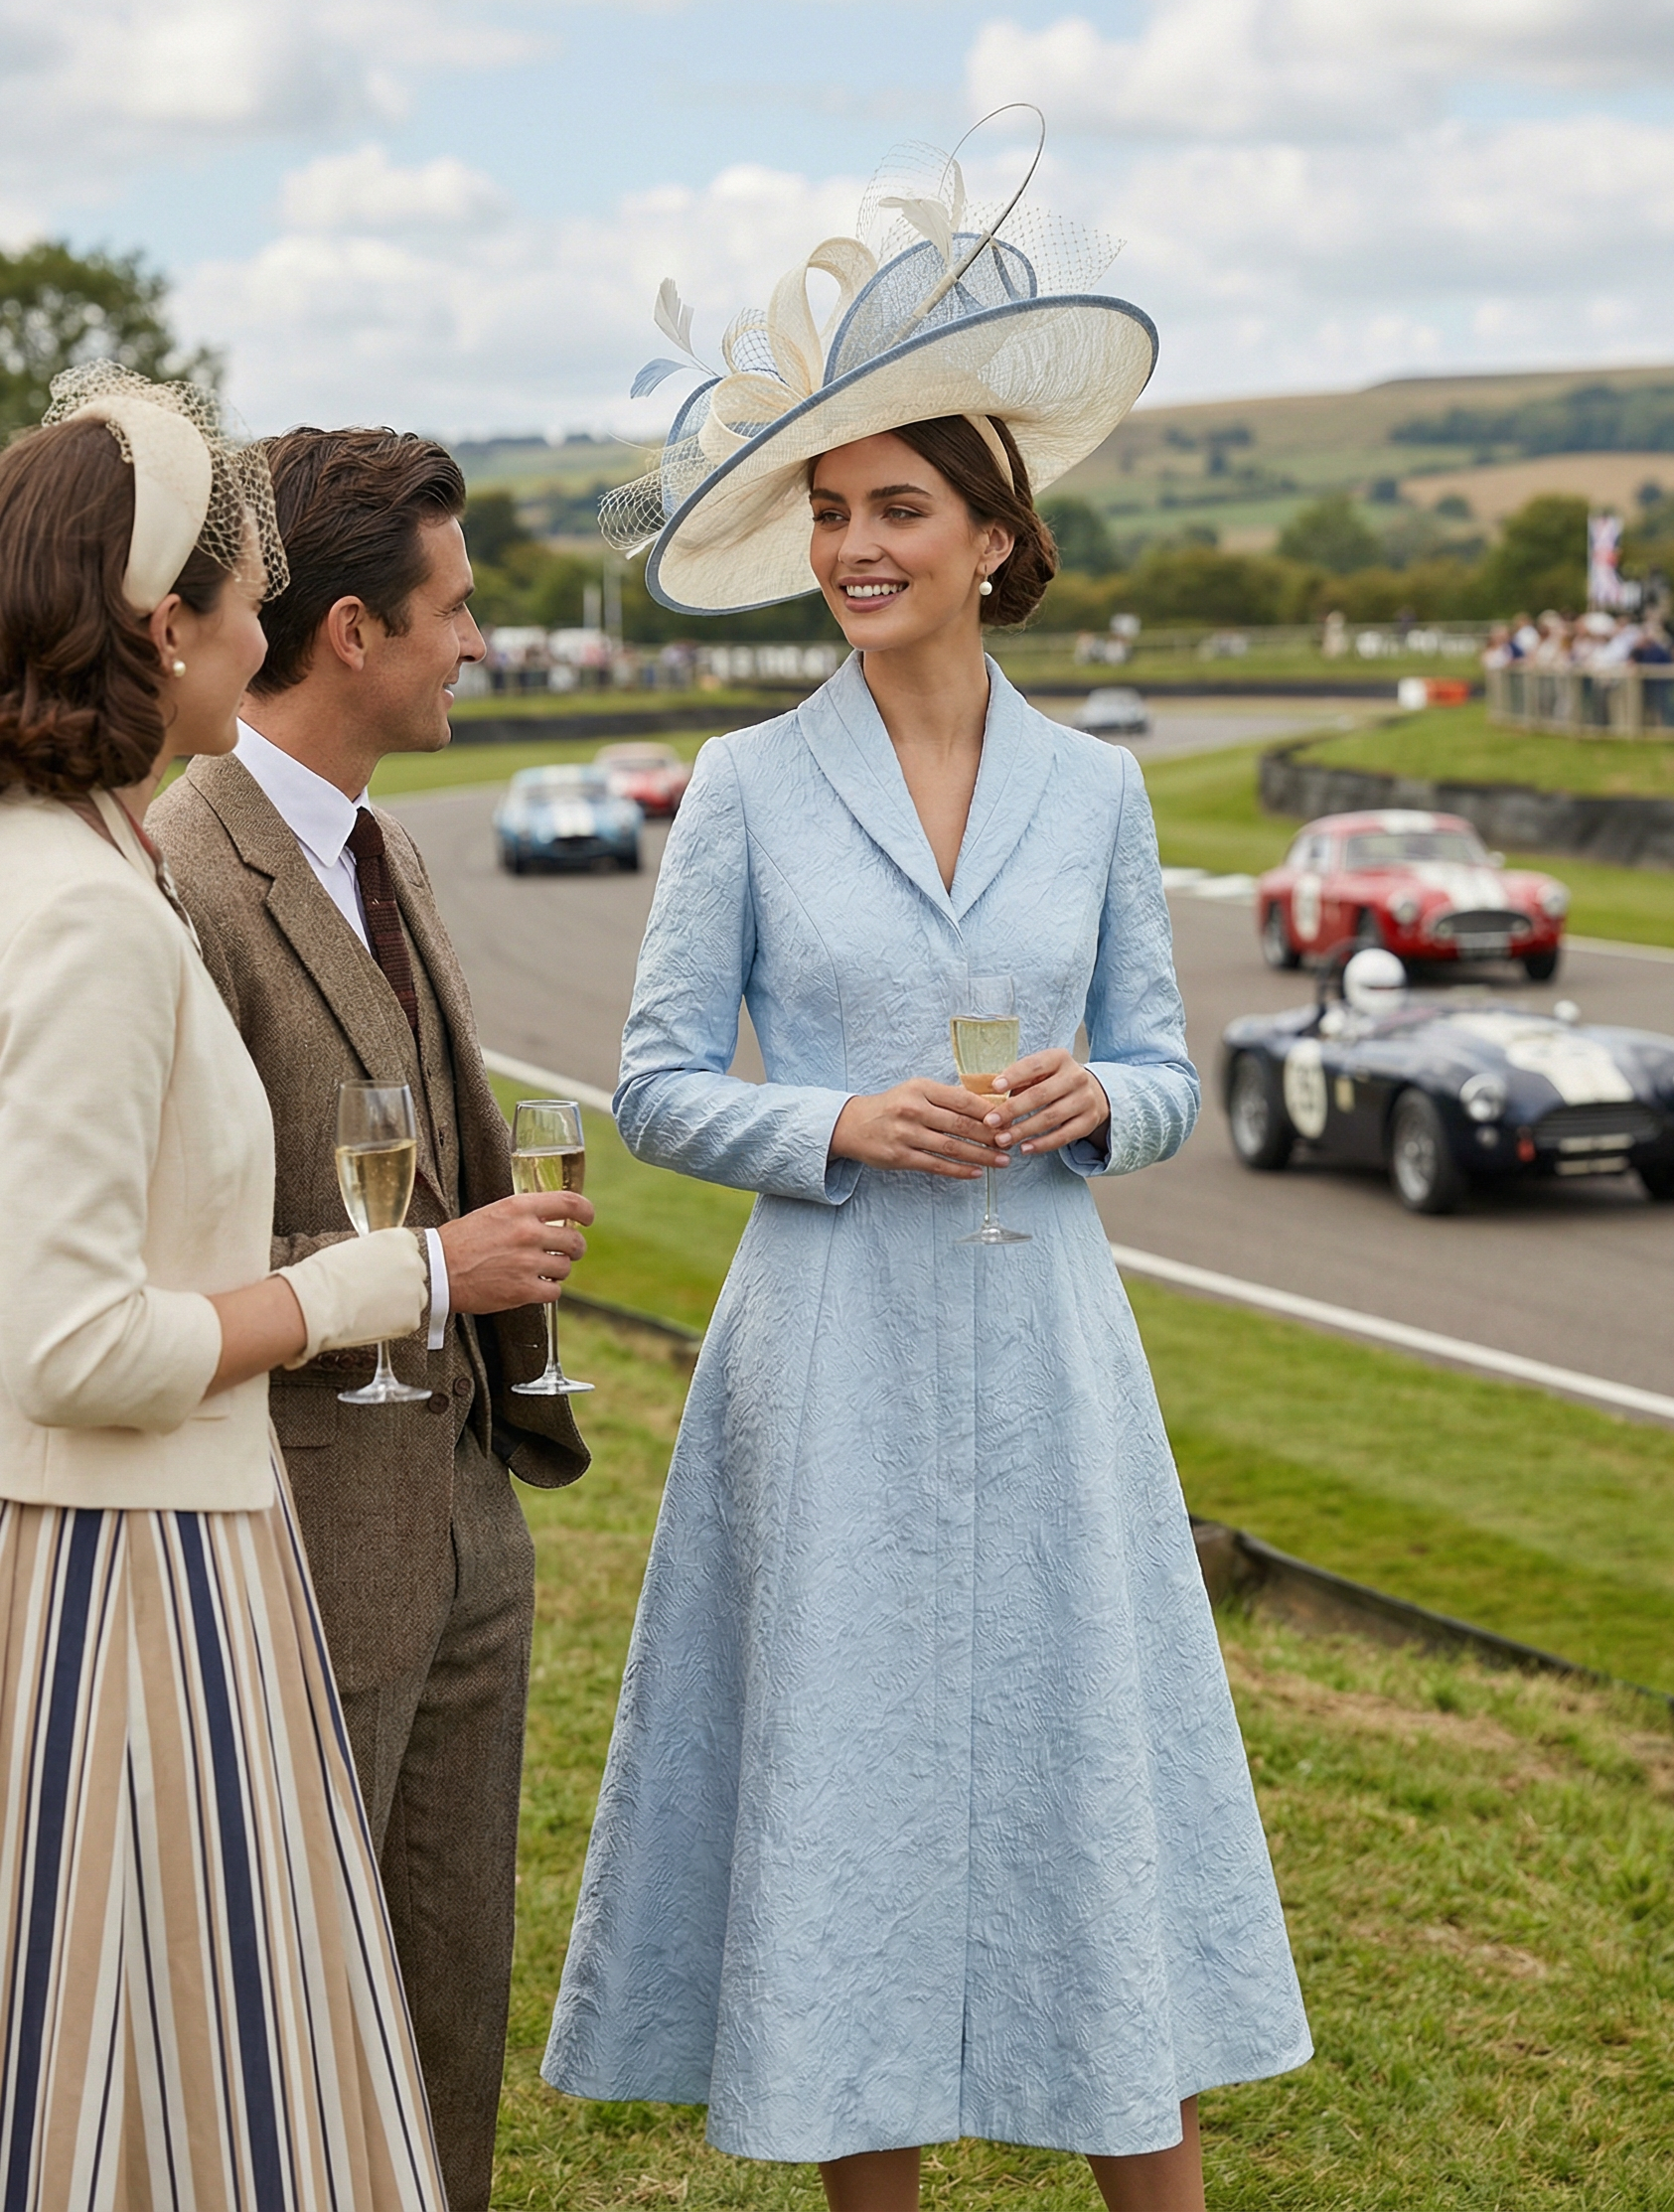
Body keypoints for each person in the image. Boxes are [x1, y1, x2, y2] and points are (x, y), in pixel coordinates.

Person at [543, 133, 1311, 2212]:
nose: (856, 545)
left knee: (1083, 1794)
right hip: (831, 1360)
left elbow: (1162, 1068)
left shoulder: (1100, 796)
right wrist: (835, 1124)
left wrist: (1101, 1109)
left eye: (897, 509)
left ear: (994, 538)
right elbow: (656, 1086)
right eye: (831, 512)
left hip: (1053, 1360)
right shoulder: (742, 788)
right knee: (844, 1805)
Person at [0, 364, 448, 2204]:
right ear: (161, 628)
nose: (265, 628)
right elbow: (73, 1342)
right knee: (156, 2098)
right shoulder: (85, 911)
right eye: (241, 597)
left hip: (183, 1537)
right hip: (126, 1578)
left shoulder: (80, 855)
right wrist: (372, 1286)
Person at [149, 426, 593, 2212]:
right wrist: (432, 1271)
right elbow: (163, 1249)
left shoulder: (388, 852)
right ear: (349, 630)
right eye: (458, 609)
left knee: (443, 2019)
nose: (478, 640)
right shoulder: (184, 876)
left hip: (465, 1518)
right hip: (298, 1547)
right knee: (289, 2038)